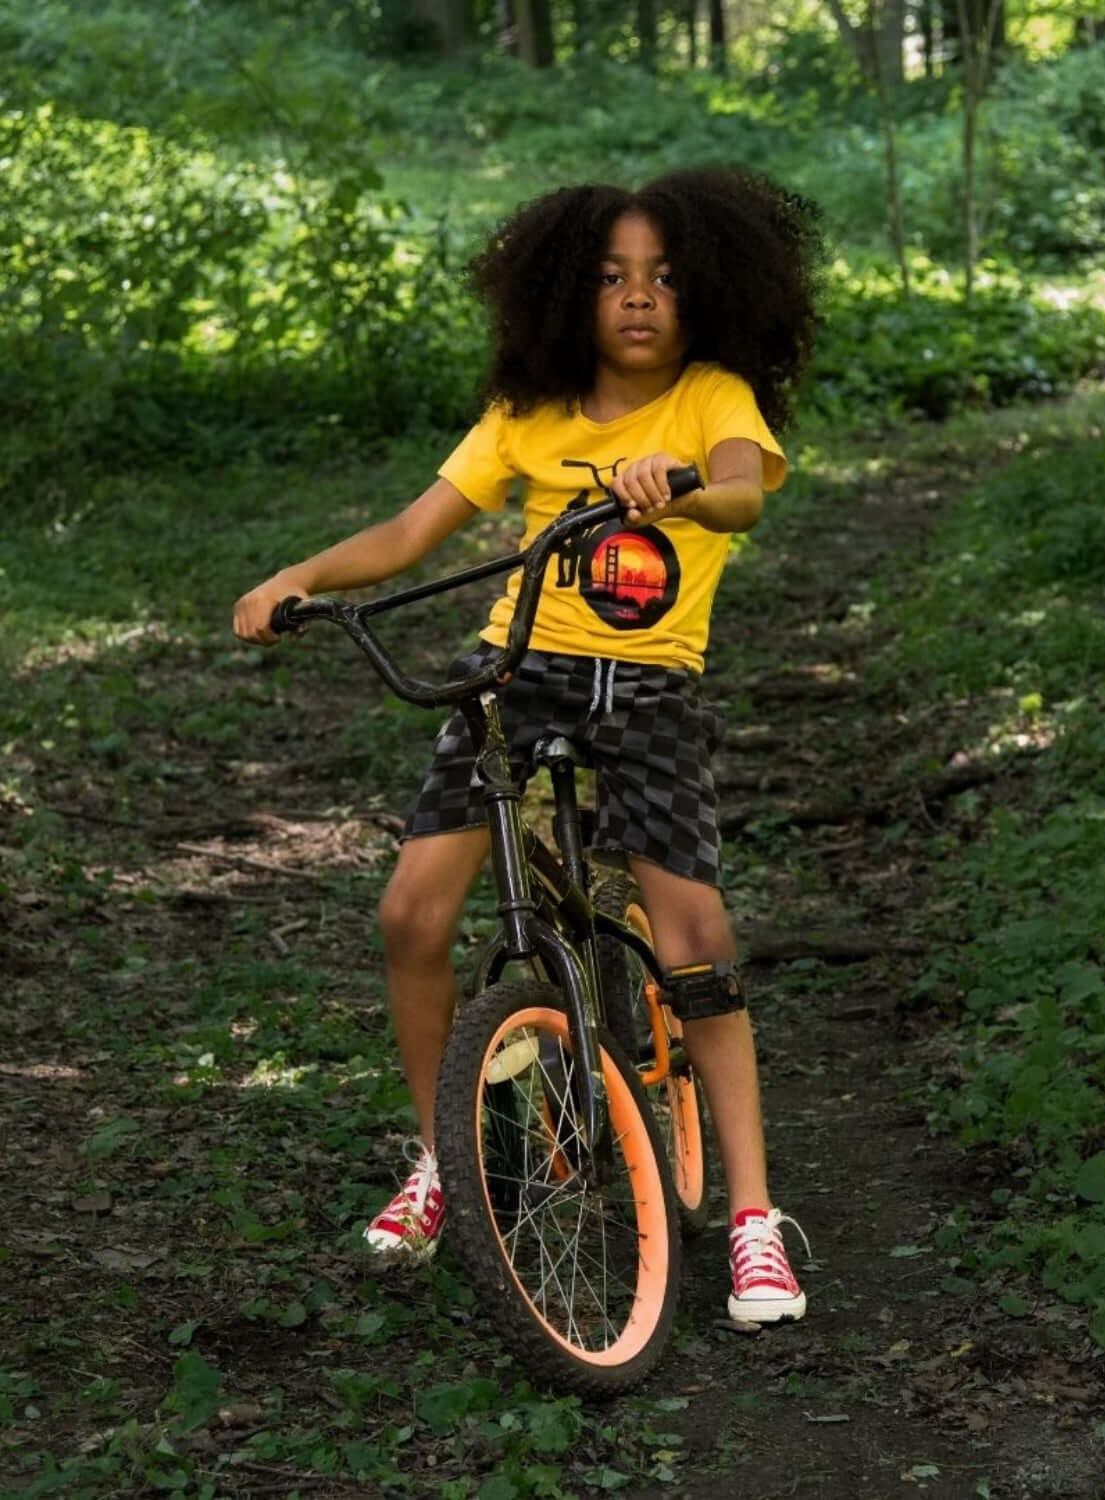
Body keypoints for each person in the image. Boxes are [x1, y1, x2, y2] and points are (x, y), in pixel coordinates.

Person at [233, 166, 824, 1324]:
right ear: (567, 292)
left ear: (707, 292)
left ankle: (755, 1217)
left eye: (662, 278)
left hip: (649, 687)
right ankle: (447, 1161)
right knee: (411, 915)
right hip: (518, 673)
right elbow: (412, 532)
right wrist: (297, 577)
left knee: (696, 934)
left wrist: (684, 490)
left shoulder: (713, 398)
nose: (638, 299)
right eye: (611, 278)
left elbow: (747, 494)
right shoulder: (530, 411)